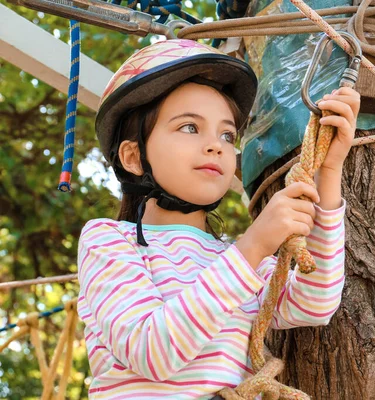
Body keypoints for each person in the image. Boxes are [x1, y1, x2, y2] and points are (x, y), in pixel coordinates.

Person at [77, 38, 360, 399]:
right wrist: (254, 245)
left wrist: (329, 170)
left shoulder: (236, 261)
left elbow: (314, 303)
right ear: (133, 157)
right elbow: (152, 351)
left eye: (227, 134)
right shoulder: (108, 241)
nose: (216, 145)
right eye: (190, 128)